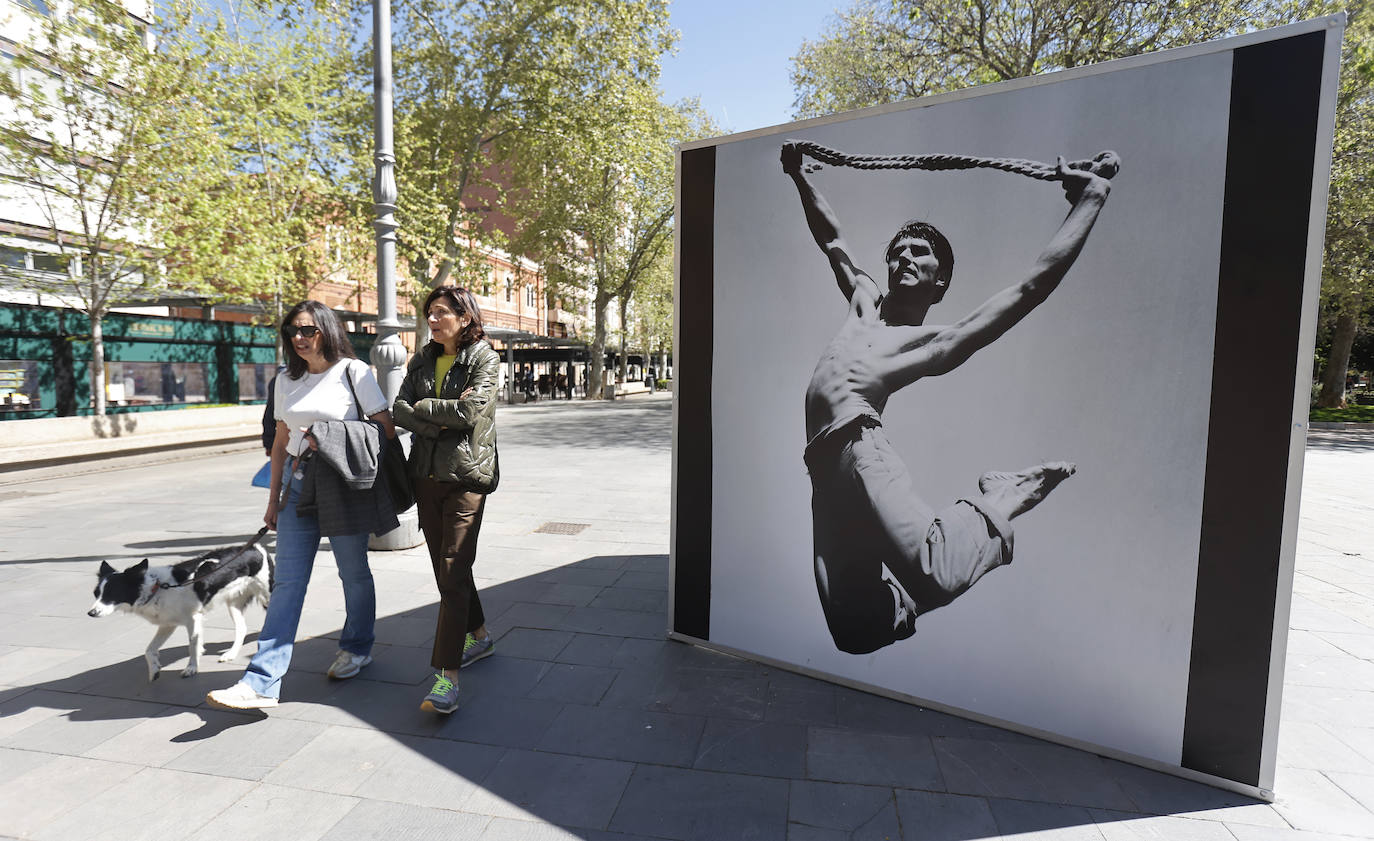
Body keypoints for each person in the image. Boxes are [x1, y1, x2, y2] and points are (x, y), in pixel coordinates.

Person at [781, 141, 1114, 654]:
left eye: (920, 252)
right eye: (898, 251)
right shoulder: (865, 302)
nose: (903, 257)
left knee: (936, 572)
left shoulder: (935, 342)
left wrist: (1090, 199)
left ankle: (1001, 496)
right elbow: (833, 239)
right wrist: (801, 176)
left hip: (859, 449)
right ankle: (908, 601)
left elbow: (1030, 289)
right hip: (822, 470)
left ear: (941, 283)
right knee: (856, 630)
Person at [207, 300, 397, 710]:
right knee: (288, 582)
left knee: (354, 572)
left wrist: (328, 435)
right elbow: (279, 442)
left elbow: (384, 430)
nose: (299, 338)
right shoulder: (284, 381)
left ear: (326, 330)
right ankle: (261, 681)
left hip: (343, 484)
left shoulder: (354, 372)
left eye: (308, 330)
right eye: (292, 331)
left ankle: (358, 646)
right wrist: (273, 498)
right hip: (297, 485)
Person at [393, 286, 501, 715]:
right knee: (446, 568)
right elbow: (399, 408)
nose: (433, 320)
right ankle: (480, 635)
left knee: (453, 569)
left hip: (466, 477)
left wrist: (424, 411)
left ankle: (446, 677)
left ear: (463, 316)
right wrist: (436, 420)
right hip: (425, 476)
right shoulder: (421, 358)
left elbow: (471, 414)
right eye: (429, 313)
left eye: (441, 313)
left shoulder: (483, 358)